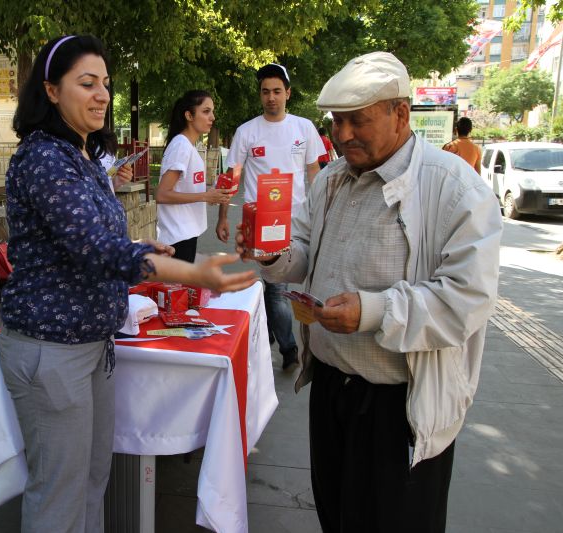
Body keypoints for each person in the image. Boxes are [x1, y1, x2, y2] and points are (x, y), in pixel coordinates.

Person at [0, 34, 256, 533]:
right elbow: (95, 249)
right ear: (51, 91)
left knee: (93, 479)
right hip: (51, 350)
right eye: (87, 83)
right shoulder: (44, 158)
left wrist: (150, 250)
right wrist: (191, 272)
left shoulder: (82, 155)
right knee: (59, 493)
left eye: (106, 84)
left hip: (91, 344)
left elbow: (95, 240)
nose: (102, 95)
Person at [237, 52, 502, 532]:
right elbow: (303, 252)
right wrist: (269, 253)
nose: (341, 135)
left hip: (399, 405)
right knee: (336, 516)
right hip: (332, 391)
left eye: (357, 120)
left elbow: (467, 299)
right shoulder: (332, 180)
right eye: (337, 121)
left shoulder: (454, 188)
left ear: (400, 114)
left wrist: (374, 311)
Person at [216, 62, 326, 370]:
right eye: (266, 92)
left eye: (277, 91)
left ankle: (274, 338)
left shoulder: (303, 128)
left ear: (288, 93)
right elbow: (233, 175)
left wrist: (319, 212)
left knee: (281, 288)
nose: (271, 97)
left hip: (298, 221)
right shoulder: (247, 132)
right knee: (276, 288)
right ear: (260, 95)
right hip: (261, 224)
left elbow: (314, 172)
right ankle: (289, 350)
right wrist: (222, 217)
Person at [155, 90, 233, 263]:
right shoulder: (181, 146)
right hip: (177, 237)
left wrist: (211, 194)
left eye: (212, 111)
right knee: (179, 289)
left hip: (186, 234)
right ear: (189, 115)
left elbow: (184, 187)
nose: (212, 117)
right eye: (206, 111)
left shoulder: (189, 146)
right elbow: (161, 194)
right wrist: (205, 196)